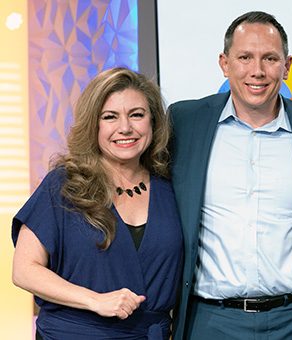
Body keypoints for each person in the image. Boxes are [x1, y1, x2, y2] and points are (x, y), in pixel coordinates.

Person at [168, 11, 292, 340]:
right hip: (209, 321)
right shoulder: (185, 122)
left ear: (288, 66)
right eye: (245, 57)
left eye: (270, 58)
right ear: (224, 63)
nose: (258, 71)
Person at [11, 67, 183, 339]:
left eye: (137, 115)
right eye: (110, 117)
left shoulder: (171, 188)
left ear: (153, 122)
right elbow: (24, 270)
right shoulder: (63, 184)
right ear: (94, 125)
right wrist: (94, 300)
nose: (125, 128)